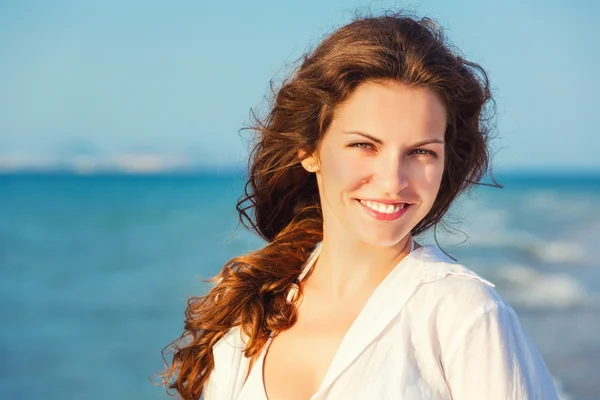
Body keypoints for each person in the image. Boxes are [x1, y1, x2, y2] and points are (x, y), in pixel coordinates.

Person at [159, 11, 560, 400]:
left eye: (420, 152)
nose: (393, 181)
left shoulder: (465, 316)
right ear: (309, 150)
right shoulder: (245, 322)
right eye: (364, 145)